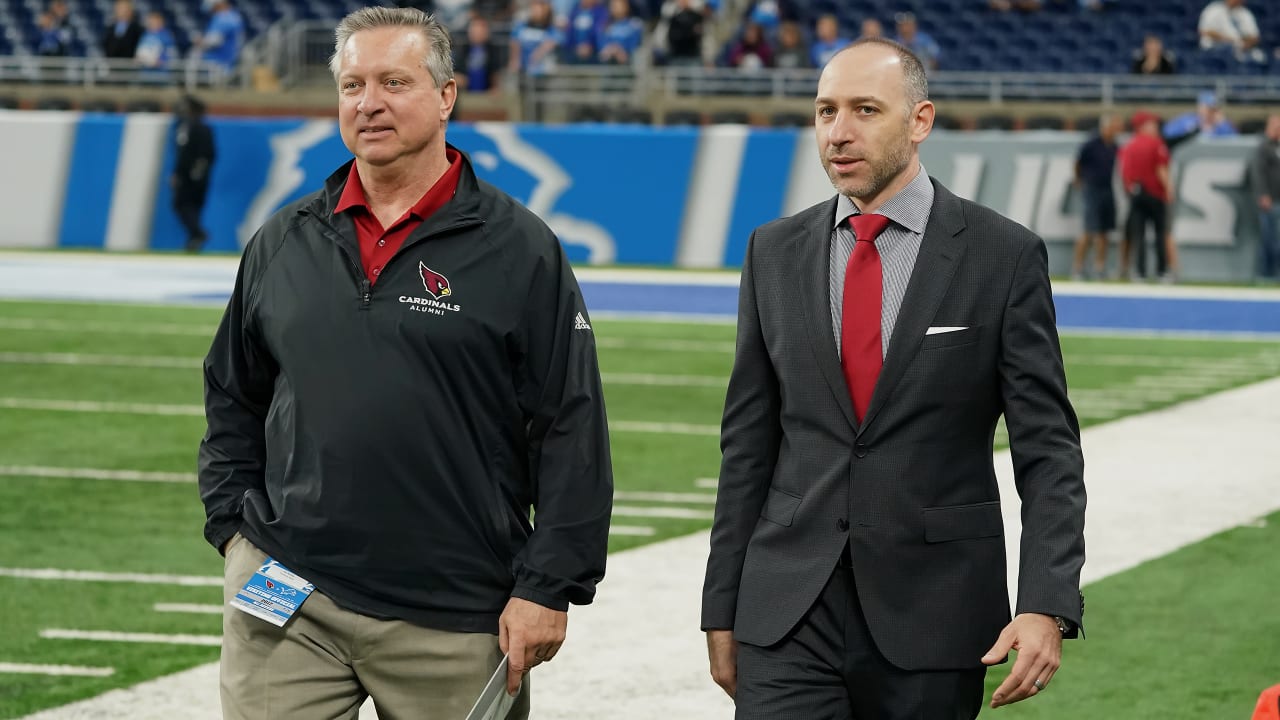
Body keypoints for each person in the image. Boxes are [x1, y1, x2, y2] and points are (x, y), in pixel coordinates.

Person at [198, 8, 613, 719]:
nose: (370, 103)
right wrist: (234, 530)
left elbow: (572, 427)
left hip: (452, 611)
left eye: (394, 81)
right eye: (353, 84)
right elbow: (233, 394)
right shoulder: (282, 240)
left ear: (446, 95)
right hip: (289, 589)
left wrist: (549, 585)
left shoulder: (521, 249)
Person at [701, 38, 1085, 719]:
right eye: (825, 111)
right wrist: (721, 604)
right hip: (787, 613)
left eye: (864, 110)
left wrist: (1046, 604)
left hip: (936, 614)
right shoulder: (772, 250)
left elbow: (1048, 450)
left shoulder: (1002, 256)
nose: (838, 133)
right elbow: (748, 446)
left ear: (920, 121)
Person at [1120, 110, 1172, 282]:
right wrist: (1169, 189)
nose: (1156, 127)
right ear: (1143, 126)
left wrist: (1129, 190)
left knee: (1139, 235)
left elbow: (1124, 173)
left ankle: (1140, 272)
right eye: (1152, 124)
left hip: (1136, 194)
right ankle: (1162, 271)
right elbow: (1161, 169)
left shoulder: (1129, 146)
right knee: (1159, 234)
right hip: (1155, 193)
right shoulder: (1156, 143)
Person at [1072, 114, 1123, 280]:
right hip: (1092, 189)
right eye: (1114, 127)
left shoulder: (1114, 146)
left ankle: (1099, 266)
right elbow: (1077, 162)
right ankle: (1078, 268)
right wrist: (1080, 180)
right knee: (1089, 230)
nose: (1116, 131)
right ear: (1105, 127)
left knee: (1104, 231)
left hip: (1107, 189)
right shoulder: (1091, 144)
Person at [171, 95, 215, 252]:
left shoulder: (188, 128)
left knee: (181, 205)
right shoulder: (205, 128)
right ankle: (193, 238)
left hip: (189, 176)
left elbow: (185, 154)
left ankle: (197, 234)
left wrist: (179, 173)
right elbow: (211, 154)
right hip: (201, 176)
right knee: (194, 207)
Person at [1249, 114, 1280, 282]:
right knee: (1268, 239)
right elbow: (1258, 173)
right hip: (1270, 201)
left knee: (1277, 240)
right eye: (1276, 126)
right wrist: (1263, 194)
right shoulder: (1264, 147)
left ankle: (1275, 274)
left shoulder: (1276, 146)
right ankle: (1264, 274)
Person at [1198, 0, 1265, 64]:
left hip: (1240, 49)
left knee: (1259, 56)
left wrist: (1246, 44)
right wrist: (1228, 40)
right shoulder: (1214, 9)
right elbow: (1204, 31)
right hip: (1215, 47)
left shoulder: (1245, 13)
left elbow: (1255, 37)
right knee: (1228, 49)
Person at [193, 0, 245, 75]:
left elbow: (213, 41)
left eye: (212, 8)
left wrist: (200, 41)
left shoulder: (223, 18)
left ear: (218, 5)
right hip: (229, 60)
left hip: (218, 63)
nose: (211, 11)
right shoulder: (234, 16)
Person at [135, 10, 177, 78]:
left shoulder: (166, 36)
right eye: (151, 22)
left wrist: (162, 60)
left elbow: (171, 52)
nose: (153, 24)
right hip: (145, 72)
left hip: (161, 73)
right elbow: (140, 50)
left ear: (161, 22)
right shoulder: (145, 35)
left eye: (155, 21)